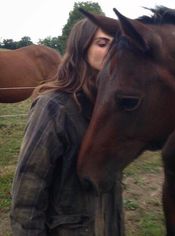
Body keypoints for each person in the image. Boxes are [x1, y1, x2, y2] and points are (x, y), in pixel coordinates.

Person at [10, 18, 124, 236]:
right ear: (81, 47)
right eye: (102, 43)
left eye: (117, 43)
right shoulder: (53, 106)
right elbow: (29, 189)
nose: (112, 50)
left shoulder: (111, 107)